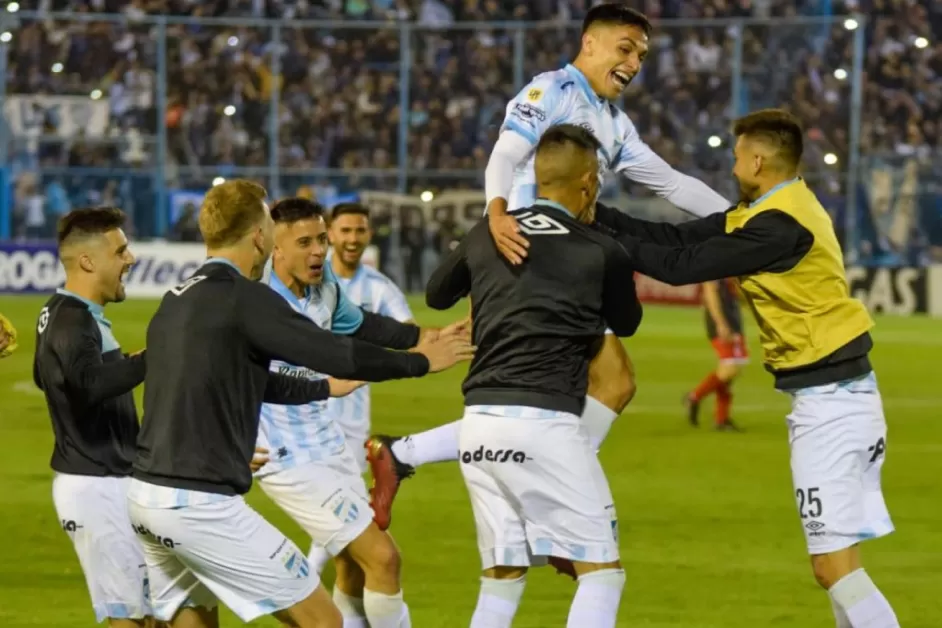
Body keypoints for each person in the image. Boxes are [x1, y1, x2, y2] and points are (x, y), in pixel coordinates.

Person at [366, 3, 731, 530]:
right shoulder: (553, 90)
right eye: (625, 49)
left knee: (578, 390)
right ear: (590, 44)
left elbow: (672, 183)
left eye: (642, 55)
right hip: (525, 256)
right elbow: (505, 153)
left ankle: (405, 455)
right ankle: (549, 493)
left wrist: (741, 216)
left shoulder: (612, 122)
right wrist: (496, 214)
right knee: (557, 393)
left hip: (563, 260)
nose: (634, 63)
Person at [126, 180, 473, 628]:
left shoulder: (176, 300)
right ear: (259, 236)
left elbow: (215, 384)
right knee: (325, 620)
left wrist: (321, 389)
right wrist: (421, 363)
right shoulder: (248, 298)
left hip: (148, 495)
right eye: (273, 228)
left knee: (196, 618)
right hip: (204, 501)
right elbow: (334, 352)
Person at [600, 109, 899, 628]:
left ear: (757, 159)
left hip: (832, 411)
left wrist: (591, 236)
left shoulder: (779, 226)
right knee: (841, 565)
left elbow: (679, 268)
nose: (733, 166)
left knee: (832, 568)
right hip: (840, 399)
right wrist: (584, 212)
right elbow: (676, 240)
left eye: (738, 157)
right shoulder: (769, 210)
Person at [426, 124, 643, 627]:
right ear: (589, 182)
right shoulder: (601, 249)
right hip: (544, 423)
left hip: (478, 426)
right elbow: (626, 322)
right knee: (601, 574)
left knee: (502, 576)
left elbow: (438, 293)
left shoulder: (492, 231)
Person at [253, 197, 468, 628]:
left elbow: (362, 325)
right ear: (275, 248)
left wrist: (426, 337)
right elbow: (344, 353)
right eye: (304, 242)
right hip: (283, 455)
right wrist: (422, 361)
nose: (318, 251)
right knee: (384, 558)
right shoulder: (257, 301)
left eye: (320, 240)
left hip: (328, 441)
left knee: (352, 564)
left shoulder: (324, 283)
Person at [32, 207, 153, 627]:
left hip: (107, 478)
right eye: (121, 251)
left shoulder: (64, 313)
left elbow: (47, 377)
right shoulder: (72, 318)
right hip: (96, 485)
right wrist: (154, 360)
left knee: (149, 615)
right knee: (129, 619)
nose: (130, 259)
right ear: (88, 261)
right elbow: (87, 385)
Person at [685, 278, 748, 430]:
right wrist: (720, 323)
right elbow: (710, 293)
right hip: (722, 323)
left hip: (733, 319)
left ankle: (722, 419)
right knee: (729, 368)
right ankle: (694, 396)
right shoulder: (713, 265)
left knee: (732, 370)